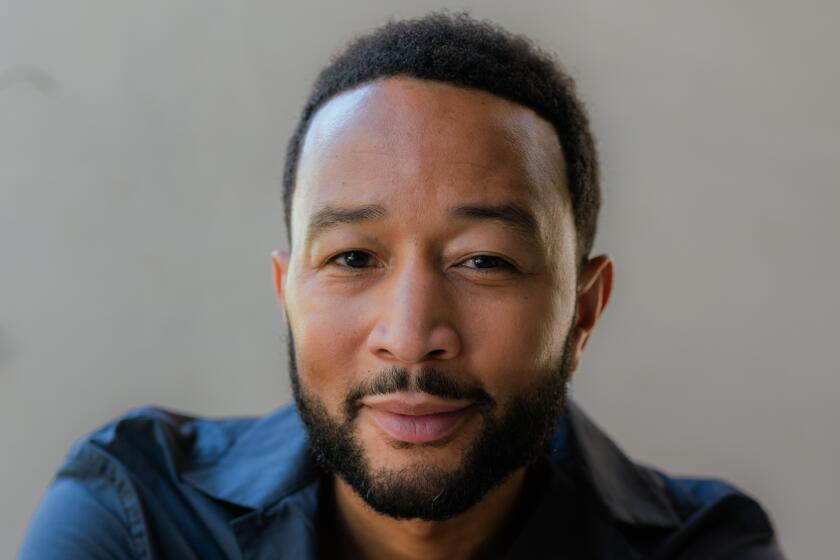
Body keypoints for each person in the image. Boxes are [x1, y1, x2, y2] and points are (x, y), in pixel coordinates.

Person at [20, 12, 783, 559]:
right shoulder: (137, 514)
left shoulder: (704, 545)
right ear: (288, 292)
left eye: (483, 260)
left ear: (582, 312)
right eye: (353, 259)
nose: (412, 333)